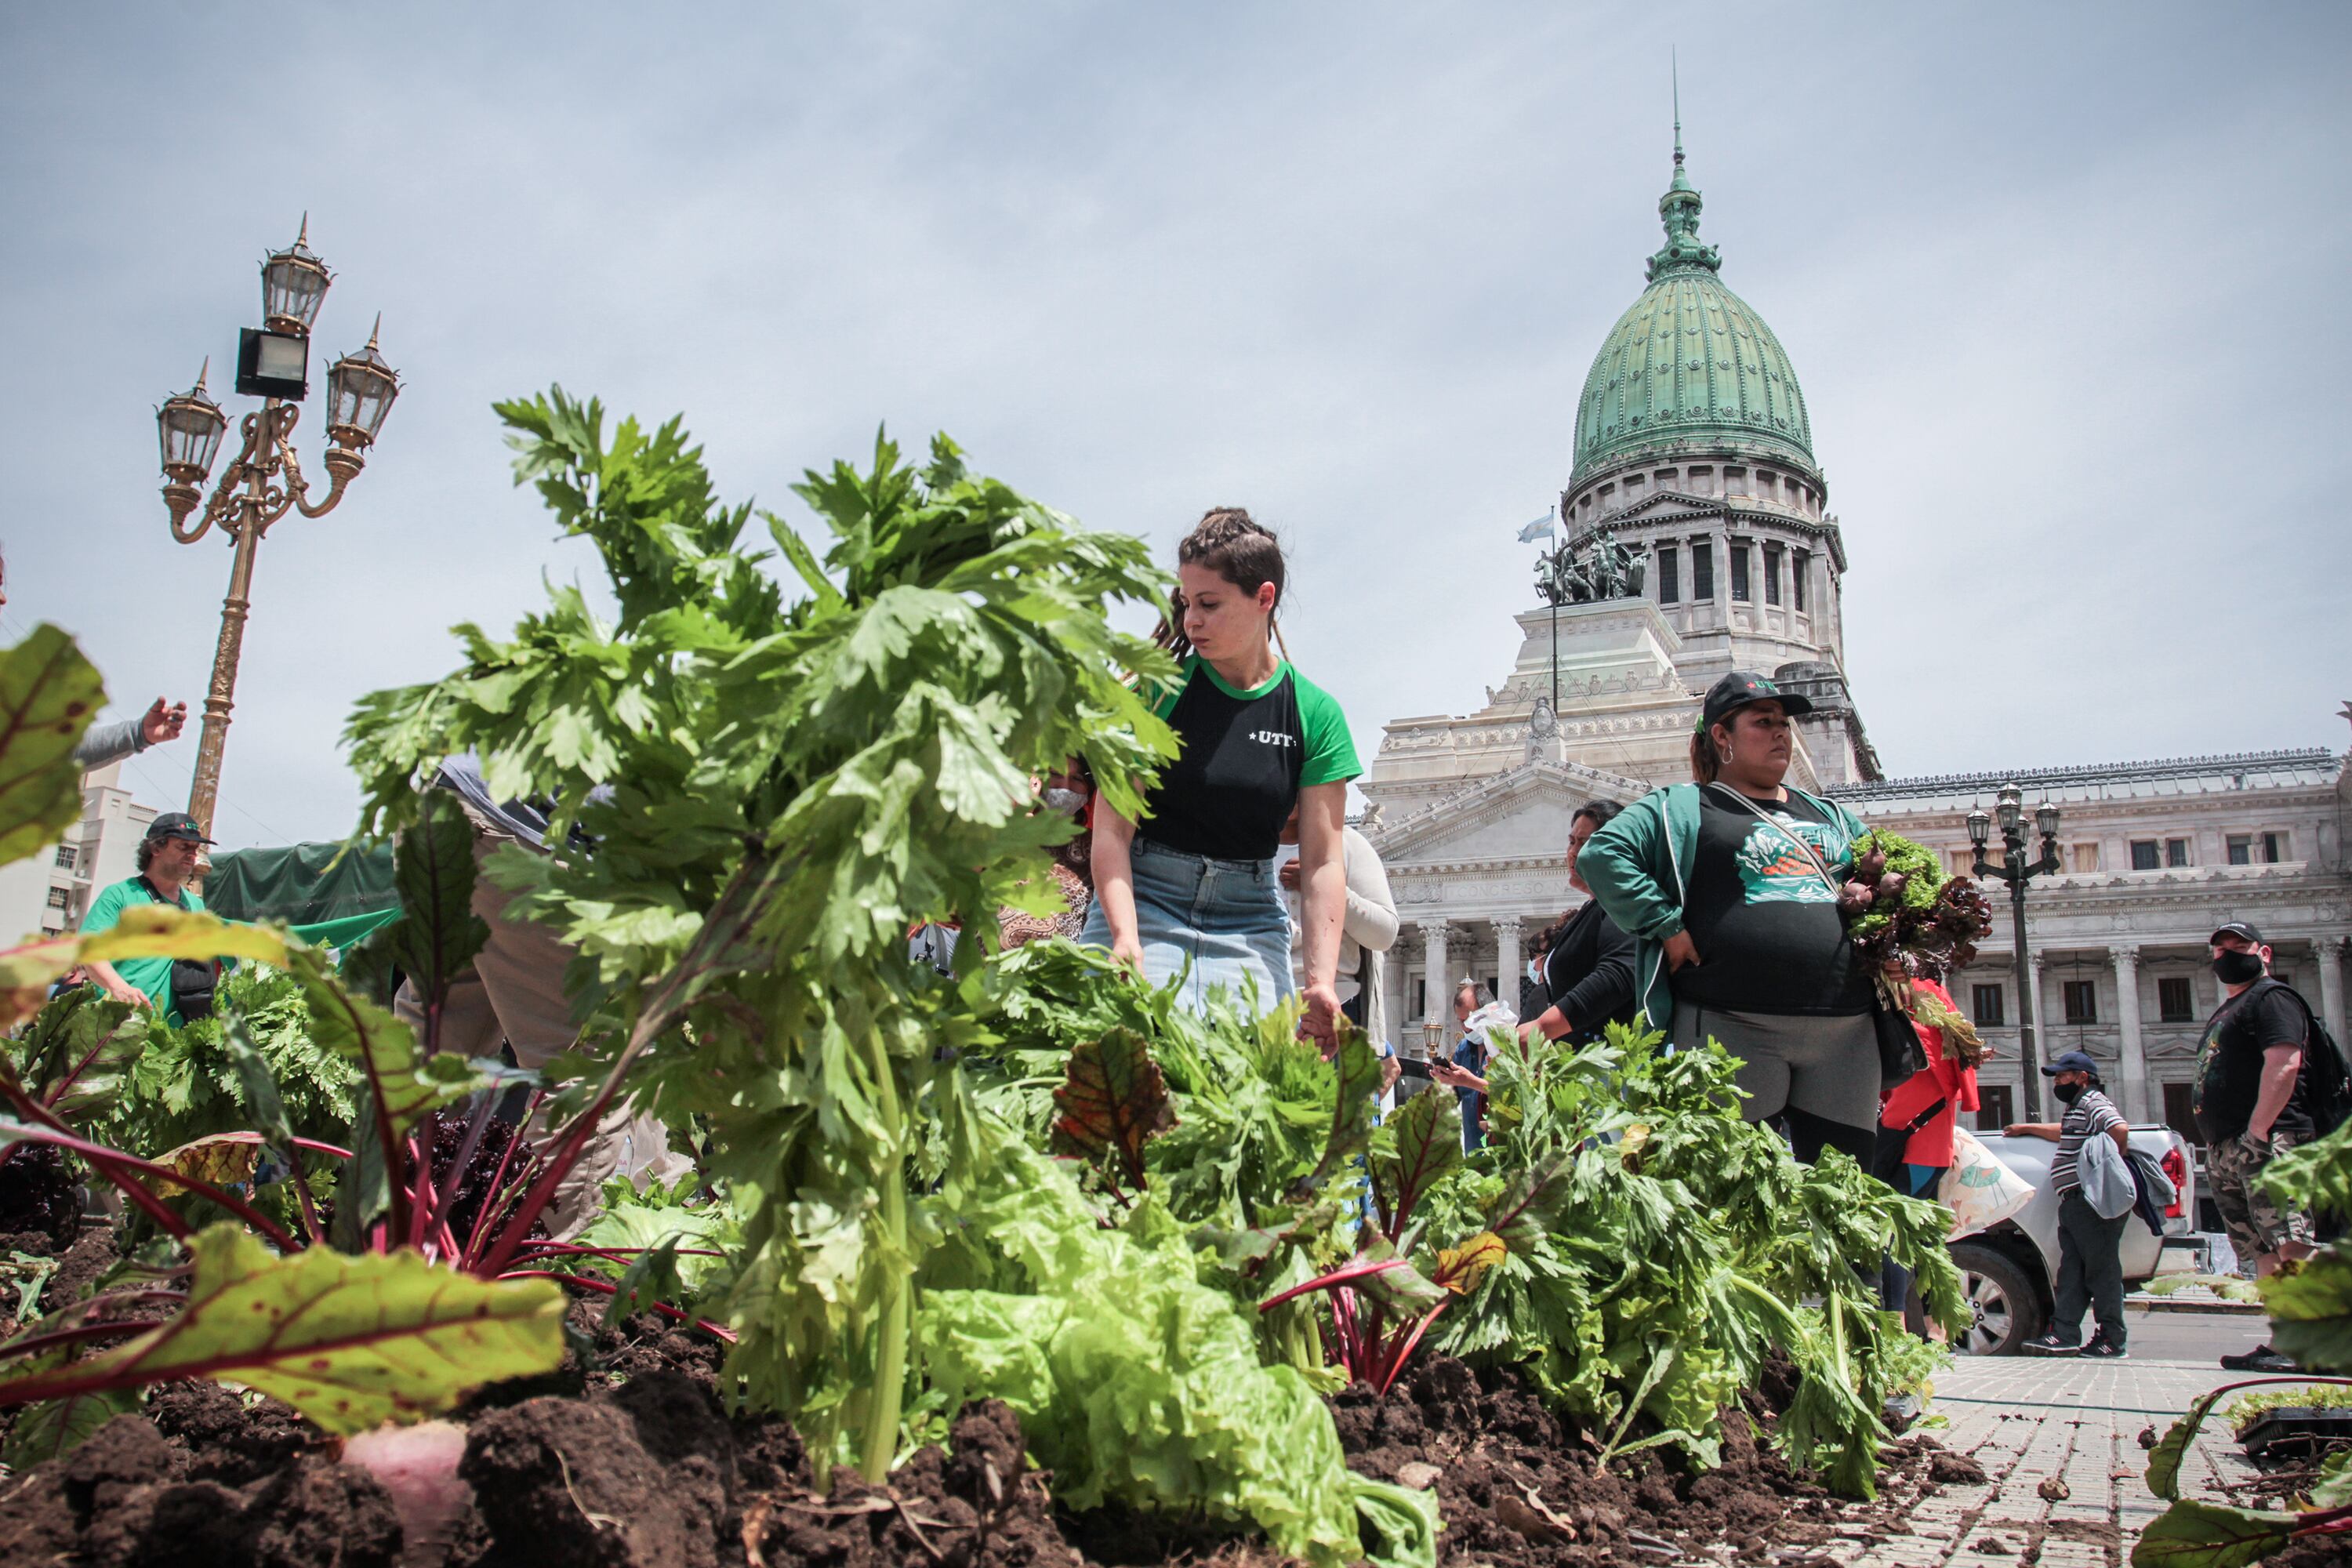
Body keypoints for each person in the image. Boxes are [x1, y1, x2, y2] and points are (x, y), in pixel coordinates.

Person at [1577, 671, 1879, 1165]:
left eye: (1784, 724)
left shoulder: (1831, 816)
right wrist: (1666, 925)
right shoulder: (1680, 807)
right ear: (1722, 736)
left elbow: (1892, 868)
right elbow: (1602, 854)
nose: (1781, 733)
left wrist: (1896, 943)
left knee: (1848, 1190)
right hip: (1733, 1026)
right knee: (1734, 1190)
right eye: (1764, 722)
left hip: (1844, 1033)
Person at [1085, 510, 1360, 1043]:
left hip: (1249, 917)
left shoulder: (1315, 713)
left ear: (1263, 598)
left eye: (1209, 605)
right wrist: (1123, 937)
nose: (1191, 621)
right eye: (1187, 603)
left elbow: (1324, 862)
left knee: (1254, 1073)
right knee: (1127, 1059)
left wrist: (1321, 982)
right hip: (1144, 899)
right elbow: (1112, 832)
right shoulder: (1155, 693)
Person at [393, 755, 691, 1238]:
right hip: (522, 834)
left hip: (437, 806)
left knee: (435, 1058)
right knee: (590, 1066)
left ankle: (381, 1239)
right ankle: (562, 1265)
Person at [2194, 920, 2318, 1372]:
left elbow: (2285, 1061)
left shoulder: (2272, 998)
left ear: (2263, 953)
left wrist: (2259, 1131)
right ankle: (2283, 1341)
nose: (2228, 953)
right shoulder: (2230, 1008)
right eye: (2221, 948)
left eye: (2239, 946)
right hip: (2230, 1147)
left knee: (2289, 1241)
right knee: (2262, 1248)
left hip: (2270, 1140)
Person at [1876, 964, 1982, 1330]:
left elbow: (1906, 1099)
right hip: (1929, 1149)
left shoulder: (1918, 1032)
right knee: (1924, 1241)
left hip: (1914, 1148)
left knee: (1891, 1233)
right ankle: (1938, 1328)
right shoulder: (1934, 1020)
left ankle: (1895, 1326)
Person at [2008, 1051, 2131, 1359]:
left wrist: (2106, 1168)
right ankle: (2064, 1334)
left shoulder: (2093, 1101)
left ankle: (2112, 1339)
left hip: (2089, 1201)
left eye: (2062, 1076)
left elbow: (2119, 1129)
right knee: (2073, 1272)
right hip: (2075, 1202)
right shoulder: (2078, 1107)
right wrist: (2028, 1128)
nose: (2057, 1082)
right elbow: (2065, 1133)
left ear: (2082, 1077)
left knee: (2101, 1271)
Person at [1515, 800, 1637, 1049]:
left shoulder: (1622, 903)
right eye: (1572, 842)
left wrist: (1541, 1029)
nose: (1572, 852)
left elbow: (1616, 975)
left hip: (1607, 1058)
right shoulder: (1594, 907)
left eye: (1584, 843)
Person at [80, 812, 219, 1024]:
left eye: (195, 848)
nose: (192, 855)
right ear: (156, 849)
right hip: (119, 1024)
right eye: (184, 847)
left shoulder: (195, 905)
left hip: (171, 1033)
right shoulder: (120, 895)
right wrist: (118, 987)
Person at [1279, 808, 1399, 1042]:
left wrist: (1325, 886)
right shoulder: (1239, 846)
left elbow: (1384, 934)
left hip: (1335, 1010)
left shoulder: (1347, 843)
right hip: (1256, 1008)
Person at [1429, 979, 1515, 1150]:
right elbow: (1453, 1097)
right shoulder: (1463, 1048)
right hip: (1473, 1150)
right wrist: (1444, 1082)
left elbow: (1511, 1093)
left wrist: (1468, 1081)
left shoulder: (1509, 1045)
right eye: (1461, 1021)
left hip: (1503, 1148)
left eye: (1469, 1020)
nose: (1466, 1028)